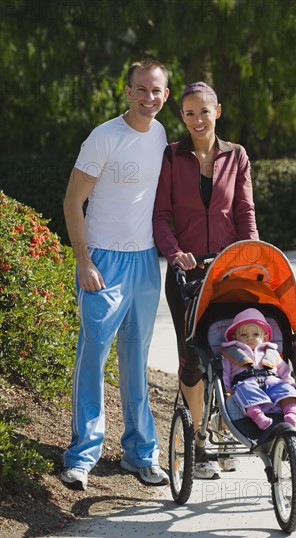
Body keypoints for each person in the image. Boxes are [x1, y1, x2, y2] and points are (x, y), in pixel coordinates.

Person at [61, 59, 170, 490]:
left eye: (156, 91)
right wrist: (83, 260)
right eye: (141, 90)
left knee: (136, 360)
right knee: (93, 357)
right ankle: (81, 456)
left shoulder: (161, 134)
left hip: (145, 261)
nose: (149, 98)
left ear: (165, 94)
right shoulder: (103, 138)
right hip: (102, 262)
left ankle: (140, 454)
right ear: (127, 91)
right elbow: (72, 202)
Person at [152, 81, 259, 478]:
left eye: (204, 111)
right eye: (189, 113)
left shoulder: (237, 156)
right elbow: (160, 214)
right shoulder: (171, 156)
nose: (198, 119)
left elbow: (245, 211)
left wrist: (252, 253)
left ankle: (225, 427)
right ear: (182, 116)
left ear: (218, 112)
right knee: (194, 358)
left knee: (233, 352)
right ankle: (198, 440)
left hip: (229, 273)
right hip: (186, 276)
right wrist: (174, 252)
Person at [221, 308, 296, 429]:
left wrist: (290, 383)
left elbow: (284, 371)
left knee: (287, 391)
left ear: (264, 337)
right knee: (244, 391)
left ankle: (291, 414)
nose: (250, 338)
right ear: (234, 337)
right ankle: (258, 416)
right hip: (246, 383)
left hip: (273, 382)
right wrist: (226, 389)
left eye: (255, 334)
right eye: (243, 335)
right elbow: (224, 373)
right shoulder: (231, 354)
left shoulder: (271, 353)